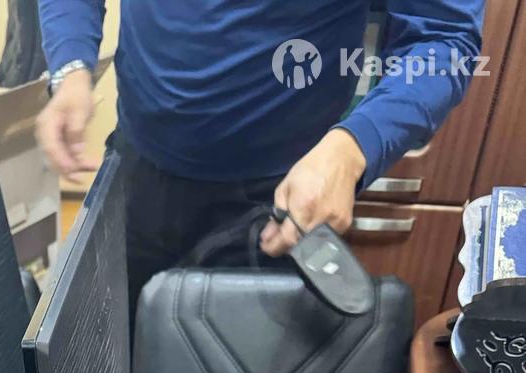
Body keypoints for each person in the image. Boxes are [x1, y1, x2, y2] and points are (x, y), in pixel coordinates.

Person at [36, 1, 482, 319]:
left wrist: (353, 148)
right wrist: (71, 66)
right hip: (134, 172)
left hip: (278, 203)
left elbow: (443, 38)